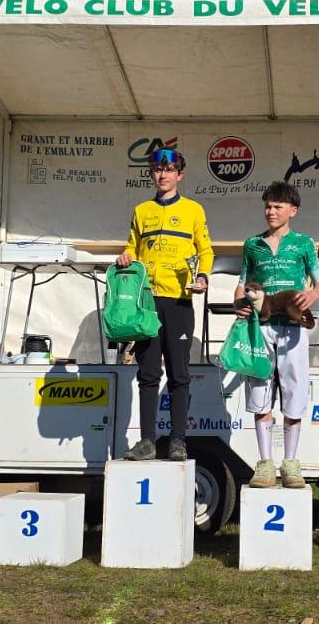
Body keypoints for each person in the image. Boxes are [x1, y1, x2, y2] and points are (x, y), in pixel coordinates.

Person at [115, 148, 213, 461]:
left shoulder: (193, 210)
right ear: (151, 173)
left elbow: (206, 250)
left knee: (179, 373)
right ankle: (146, 440)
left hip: (179, 300)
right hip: (146, 302)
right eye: (158, 169)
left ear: (180, 175)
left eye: (169, 170)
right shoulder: (141, 209)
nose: (163, 175)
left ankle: (177, 440)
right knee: (146, 373)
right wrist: (126, 255)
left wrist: (204, 277)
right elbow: (133, 245)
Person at [237, 181, 319, 489]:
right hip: (261, 326)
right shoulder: (252, 244)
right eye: (267, 206)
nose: (271, 211)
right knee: (260, 386)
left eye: (277, 206)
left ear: (293, 210)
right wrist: (239, 303)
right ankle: (264, 464)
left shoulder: (304, 243)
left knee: (293, 388)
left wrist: (312, 297)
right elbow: (242, 283)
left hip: (294, 326)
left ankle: (290, 462)